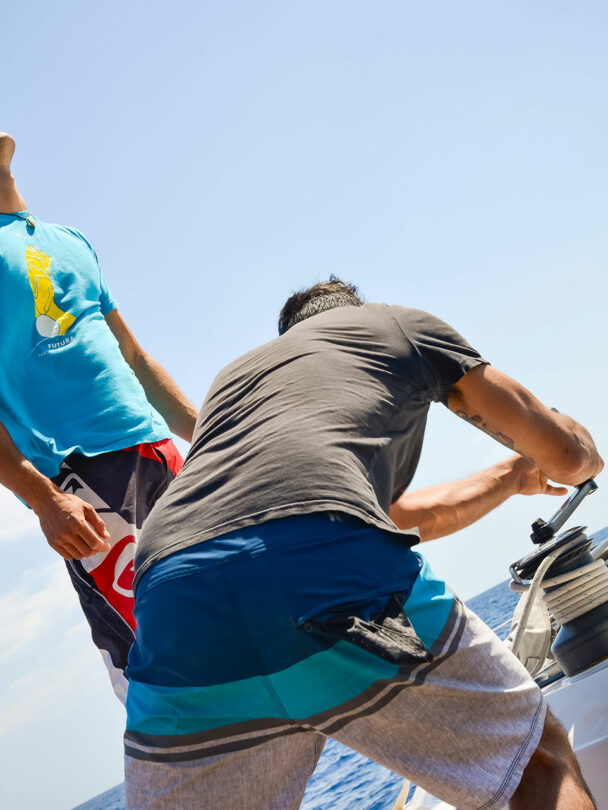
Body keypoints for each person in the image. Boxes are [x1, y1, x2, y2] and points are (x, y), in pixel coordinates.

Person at [124, 278, 602, 809]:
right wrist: (579, 448)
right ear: (356, 311)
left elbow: (395, 517)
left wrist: (510, 478)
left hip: (170, 591)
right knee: (534, 761)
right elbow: (560, 452)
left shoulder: (233, 383)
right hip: (320, 556)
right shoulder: (393, 324)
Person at [0, 131, 198, 701]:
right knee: (161, 667)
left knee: (234, 608)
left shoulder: (70, 240)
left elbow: (132, 356)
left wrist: (208, 429)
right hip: (84, 483)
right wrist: (45, 499)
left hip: (156, 451)